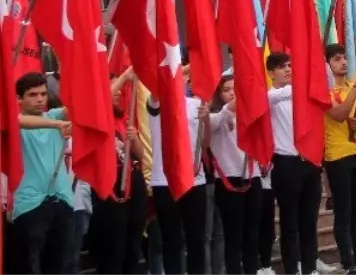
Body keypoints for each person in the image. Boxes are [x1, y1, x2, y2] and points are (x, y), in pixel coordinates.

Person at [10, 72, 75, 274]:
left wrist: (125, 76)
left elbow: (94, 101)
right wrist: (57, 125)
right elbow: (17, 121)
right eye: (32, 95)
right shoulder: (13, 122)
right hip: (30, 206)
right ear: (18, 99)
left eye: (43, 94)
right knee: (28, 267)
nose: (39, 99)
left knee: (59, 267)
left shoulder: (54, 115)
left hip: (62, 203)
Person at [267, 52, 324, 275]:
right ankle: (292, 269)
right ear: (271, 73)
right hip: (286, 164)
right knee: (290, 223)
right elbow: (272, 98)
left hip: (309, 162)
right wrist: (302, 85)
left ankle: (310, 268)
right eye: (282, 67)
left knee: (309, 221)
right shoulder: (270, 96)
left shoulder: (302, 94)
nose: (289, 70)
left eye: (290, 66)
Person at [89, 68, 149, 275]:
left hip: (133, 181)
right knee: (113, 247)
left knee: (133, 243)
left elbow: (140, 155)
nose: (117, 92)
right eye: (111, 87)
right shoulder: (95, 117)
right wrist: (124, 77)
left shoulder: (123, 117)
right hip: (110, 184)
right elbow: (99, 105)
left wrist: (133, 139)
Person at [322, 45, 356, 275]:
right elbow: (340, 114)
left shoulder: (352, 87)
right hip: (338, 156)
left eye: (344, 58)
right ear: (327, 64)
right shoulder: (324, 90)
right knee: (344, 212)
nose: (343, 62)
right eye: (336, 59)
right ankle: (348, 264)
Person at [207, 73, 265, 275]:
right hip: (228, 180)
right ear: (218, 94)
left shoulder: (249, 113)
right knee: (234, 235)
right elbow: (215, 122)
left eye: (234, 88)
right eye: (226, 89)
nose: (232, 93)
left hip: (253, 177)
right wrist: (232, 106)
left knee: (252, 234)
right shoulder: (214, 115)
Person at [149, 86, 210, 275]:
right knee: (172, 241)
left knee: (196, 240)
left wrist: (206, 120)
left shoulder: (196, 104)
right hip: (164, 182)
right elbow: (156, 89)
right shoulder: (157, 103)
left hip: (195, 181)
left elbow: (205, 143)